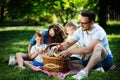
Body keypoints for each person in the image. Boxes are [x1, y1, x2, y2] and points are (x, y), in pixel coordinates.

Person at [51, 10, 113, 80]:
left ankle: (85, 72)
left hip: (105, 61)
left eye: (84, 23)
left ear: (92, 23)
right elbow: (68, 43)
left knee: (98, 46)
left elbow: (88, 49)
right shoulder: (81, 30)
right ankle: (95, 68)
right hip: (90, 60)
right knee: (69, 63)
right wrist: (58, 46)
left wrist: (69, 52)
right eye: (80, 22)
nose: (81, 25)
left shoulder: (99, 31)